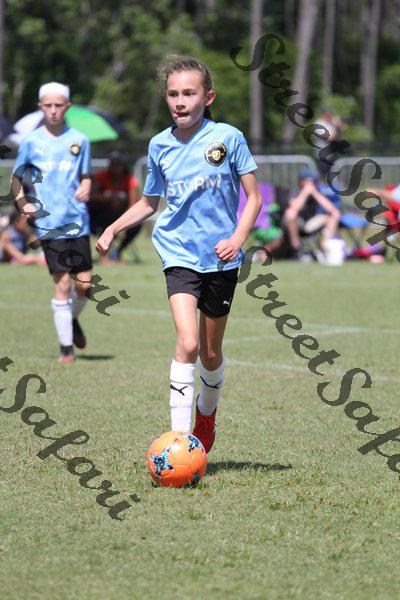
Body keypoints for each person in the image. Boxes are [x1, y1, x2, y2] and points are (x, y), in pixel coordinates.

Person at [96, 56, 262, 453]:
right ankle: (179, 440)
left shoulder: (228, 138)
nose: (180, 101)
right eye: (173, 94)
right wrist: (113, 227)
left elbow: (253, 198)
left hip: (221, 258)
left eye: (189, 93)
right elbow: (149, 202)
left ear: (208, 97)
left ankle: (207, 413)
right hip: (178, 253)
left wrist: (238, 238)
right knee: (187, 343)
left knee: (210, 352)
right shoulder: (159, 145)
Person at [12, 82, 92, 363]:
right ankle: (66, 349)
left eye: (59, 105)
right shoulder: (31, 141)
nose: (54, 110)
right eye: (48, 106)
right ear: (41, 107)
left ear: (67, 107)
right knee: (62, 283)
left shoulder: (80, 140)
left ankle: (71, 319)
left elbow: (86, 175)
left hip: (78, 221)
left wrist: (87, 185)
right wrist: (23, 203)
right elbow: (16, 178)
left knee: (84, 285)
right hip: (49, 223)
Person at [90, 152, 141, 262]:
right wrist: (108, 198)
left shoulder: (130, 180)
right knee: (105, 217)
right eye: (112, 164)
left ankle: (117, 252)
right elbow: (93, 195)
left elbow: (133, 204)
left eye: (118, 164)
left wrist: (123, 223)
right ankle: (105, 255)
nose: (115, 167)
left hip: (122, 215)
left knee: (137, 225)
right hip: (103, 215)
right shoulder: (102, 177)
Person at [284, 167, 340, 260]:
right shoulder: (295, 191)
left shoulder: (318, 191)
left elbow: (331, 209)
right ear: (302, 182)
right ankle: (296, 249)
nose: (313, 184)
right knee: (290, 213)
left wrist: (314, 193)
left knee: (335, 214)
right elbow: (294, 208)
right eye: (310, 182)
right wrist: (305, 193)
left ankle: (324, 248)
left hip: (312, 222)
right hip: (298, 223)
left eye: (315, 181)